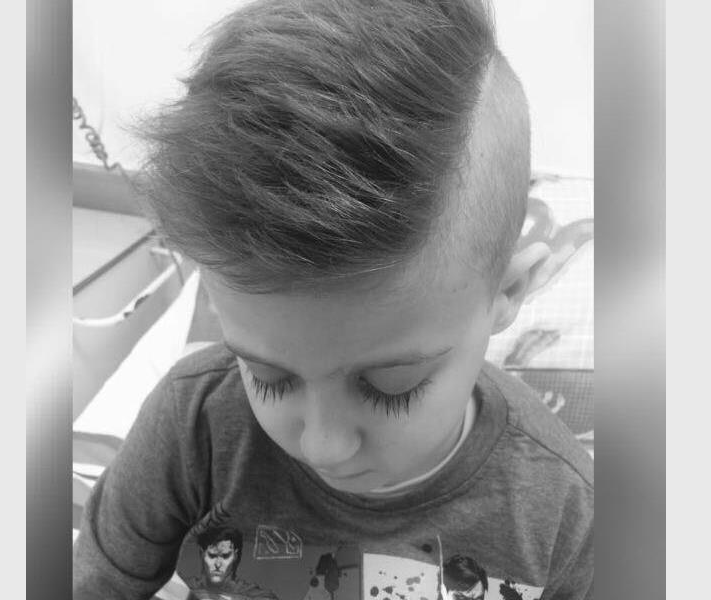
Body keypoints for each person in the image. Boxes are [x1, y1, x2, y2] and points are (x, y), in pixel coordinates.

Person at [73, 1, 593, 599]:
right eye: (268, 378)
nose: (323, 446)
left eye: (392, 387)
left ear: (509, 292)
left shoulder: (562, 509)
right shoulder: (194, 427)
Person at [185, 526, 279, 600]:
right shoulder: (182, 587)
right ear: (202, 554)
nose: (218, 564)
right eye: (212, 556)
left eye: (225, 556)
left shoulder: (258, 595)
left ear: (235, 556)